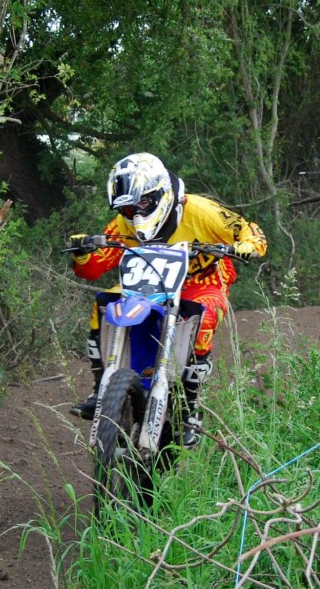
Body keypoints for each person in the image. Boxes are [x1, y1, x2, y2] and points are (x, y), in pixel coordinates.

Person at [67, 152, 267, 447]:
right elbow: (94, 268)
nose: (135, 214)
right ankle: (101, 390)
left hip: (201, 281)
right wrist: (82, 252)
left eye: (142, 204)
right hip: (146, 281)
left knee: (204, 315)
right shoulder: (124, 224)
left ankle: (189, 408)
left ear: (160, 193)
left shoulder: (200, 211)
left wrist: (246, 245)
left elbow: (248, 230)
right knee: (106, 305)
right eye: (128, 208)